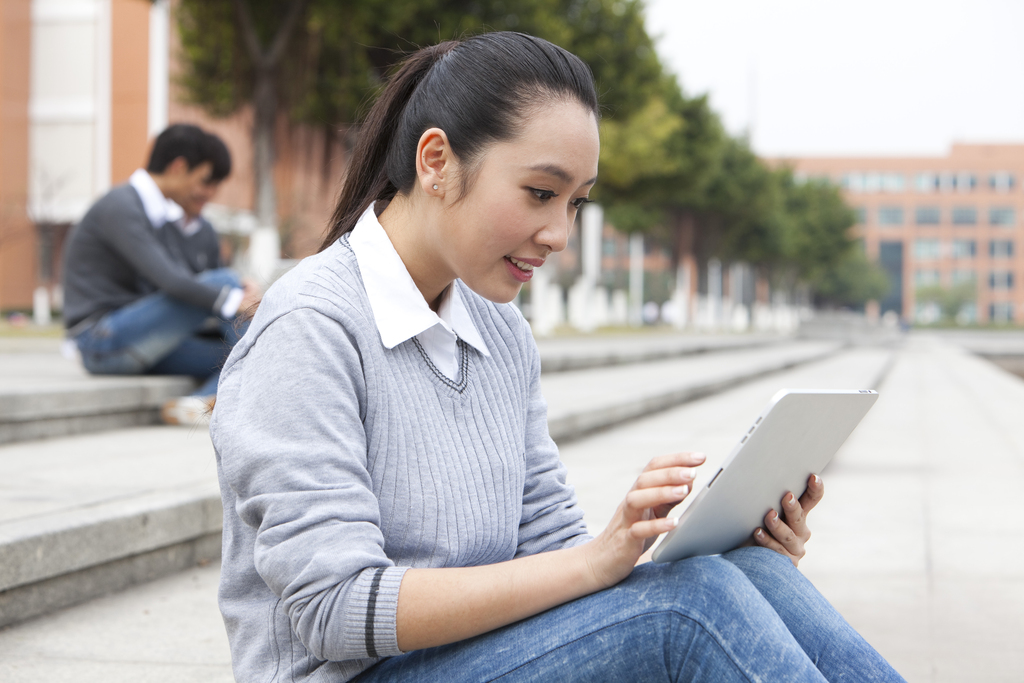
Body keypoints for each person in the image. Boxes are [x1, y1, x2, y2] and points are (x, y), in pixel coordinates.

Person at [211, 33, 906, 683]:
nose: (559, 233)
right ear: (436, 162)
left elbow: (555, 555)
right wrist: (597, 562)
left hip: (479, 656)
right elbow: (334, 609)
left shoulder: (500, 331)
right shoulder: (309, 328)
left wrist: (680, 545)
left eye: (576, 202)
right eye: (541, 193)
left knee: (749, 572)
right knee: (691, 608)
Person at [62, 124, 260, 424]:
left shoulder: (157, 214)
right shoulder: (121, 206)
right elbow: (171, 281)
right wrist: (236, 299)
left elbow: (181, 287)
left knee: (234, 353)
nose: (208, 192)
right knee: (226, 281)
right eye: (204, 179)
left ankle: (201, 405)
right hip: (100, 340)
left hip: (135, 339)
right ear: (179, 167)